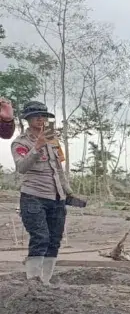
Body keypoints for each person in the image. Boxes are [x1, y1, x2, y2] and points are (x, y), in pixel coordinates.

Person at [11, 101, 73, 285]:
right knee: (40, 238)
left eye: (43, 116)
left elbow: (58, 168)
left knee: (54, 240)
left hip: (56, 197)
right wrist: (37, 146)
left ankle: (45, 282)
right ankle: (33, 283)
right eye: (36, 116)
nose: (41, 119)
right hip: (33, 196)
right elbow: (22, 167)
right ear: (28, 119)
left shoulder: (52, 139)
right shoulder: (20, 142)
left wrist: (67, 192)